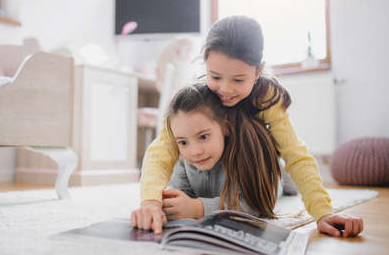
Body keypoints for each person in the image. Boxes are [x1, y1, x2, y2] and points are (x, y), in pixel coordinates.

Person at [131, 15, 363, 237]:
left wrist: (322, 212)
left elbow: (295, 154)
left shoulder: (266, 97)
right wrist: (151, 202)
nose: (225, 89)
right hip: (221, 164)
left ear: (258, 72)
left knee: (281, 182)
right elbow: (161, 151)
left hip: (255, 163)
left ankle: (282, 179)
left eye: (239, 80)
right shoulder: (195, 99)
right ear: (205, 66)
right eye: (215, 76)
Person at [150, 83, 283, 222]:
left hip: (272, 176)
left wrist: (198, 208)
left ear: (225, 126)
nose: (195, 152)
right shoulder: (182, 159)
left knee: (289, 185)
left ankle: (282, 168)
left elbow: (255, 205)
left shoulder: (244, 154)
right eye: (183, 142)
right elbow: (182, 196)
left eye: (203, 136)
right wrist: (169, 205)